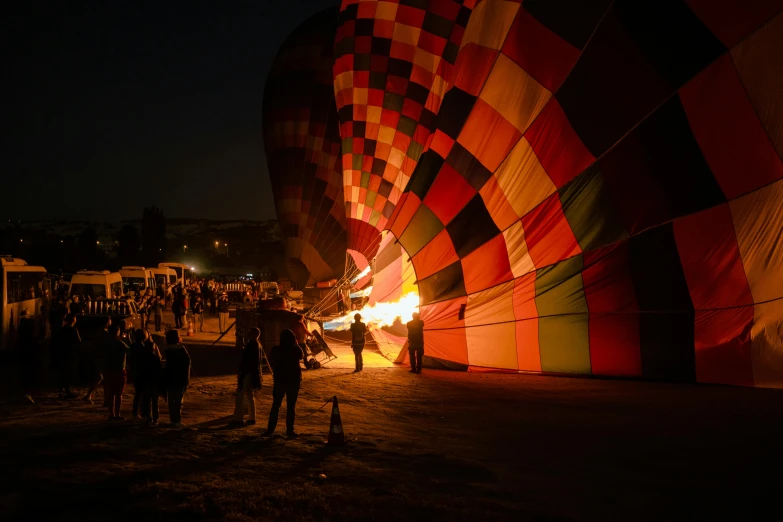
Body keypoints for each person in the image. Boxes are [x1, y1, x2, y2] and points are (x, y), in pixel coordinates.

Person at [263, 329, 304, 438]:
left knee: (275, 406)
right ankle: (290, 431)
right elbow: (302, 356)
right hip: (293, 381)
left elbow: (274, 359)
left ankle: (270, 430)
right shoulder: (296, 349)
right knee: (291, 407)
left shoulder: (276, 349)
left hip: (280, 380)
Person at [233, 328, 262, 426]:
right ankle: (252, 418)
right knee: (250, 395)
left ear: (254, 334)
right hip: (252, 372)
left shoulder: (252, 344)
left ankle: (239, 419)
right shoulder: (257, 344)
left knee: (240, 395)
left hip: (247, 372)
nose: (248, 333)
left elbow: (246, 357)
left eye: (250, 332)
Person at [103, 324, 131, 420]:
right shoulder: (119, 343)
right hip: (119, 370)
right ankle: (117, 414)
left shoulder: (106, 343)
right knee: (118, 393)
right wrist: (128, 340)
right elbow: (129, 350)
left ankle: (111, 414)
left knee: (110, 393)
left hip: (108, 369)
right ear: (117, 332)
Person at [164, 329, 191, 427]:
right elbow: (188, 361)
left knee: (171, 400)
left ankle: (173, 420)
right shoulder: (181, 349)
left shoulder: (167, 350)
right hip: (180, 379)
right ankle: (177, 420)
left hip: (170, 379)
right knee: (179, 401)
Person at [138, 332, 163, 426]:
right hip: (153, 382)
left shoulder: (143, 358)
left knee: (147, 400)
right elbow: (159, 370)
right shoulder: (155, 358)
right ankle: (155, 418)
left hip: (146, 381)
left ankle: (148, 417)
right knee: (154, 401)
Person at [55, 314, 81, 399]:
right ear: (73, 320)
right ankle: (67, 390)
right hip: (70, 353)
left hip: (62, 353)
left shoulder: (61, 329)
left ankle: (62, 390)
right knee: (69, 372)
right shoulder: (73, 330)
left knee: (63, 372)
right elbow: (78, 341)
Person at [16, 314, 39, 404]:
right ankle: (27, 394)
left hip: (23, 361)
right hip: (29, 361)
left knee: (24, 376)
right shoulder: (31, 340)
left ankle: (25, 393)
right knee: (29, 377)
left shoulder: (20, 339)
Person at [129, 329, 147, 419]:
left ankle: (135, 412)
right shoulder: (142, 347)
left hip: (136, 372)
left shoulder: (133, 346)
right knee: (141, 394)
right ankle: (140, 412)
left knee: (138, 394)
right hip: (142, 372)